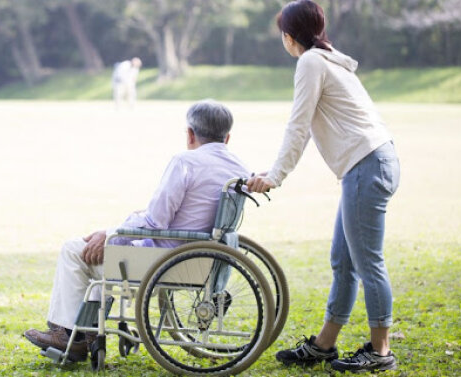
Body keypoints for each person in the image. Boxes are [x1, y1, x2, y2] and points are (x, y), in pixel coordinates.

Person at [24, 100, 249, 361]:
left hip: (163, 260)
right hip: (202, 257)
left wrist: (110, 234)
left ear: (189, 133)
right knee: (102, 256)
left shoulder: (185, 162)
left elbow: (155, 223)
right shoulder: (239, 168)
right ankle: (85, 335)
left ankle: (68, 334)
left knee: (75, 250)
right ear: (227, 137)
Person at [246, 0, 400, 373]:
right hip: (370, 164)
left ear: (289, 35)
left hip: (366, 165)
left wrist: (275, 175)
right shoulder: (330, 59)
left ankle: (381, 353)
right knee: (343, 261)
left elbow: (298, 125)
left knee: (367, 264)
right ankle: (324, 345)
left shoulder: (312, 62)